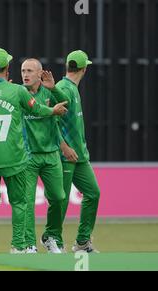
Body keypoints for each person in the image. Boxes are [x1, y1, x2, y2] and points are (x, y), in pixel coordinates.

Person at [0, 48, 68, 254]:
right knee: (20, 202)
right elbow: (36, 109)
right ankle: (19, 246)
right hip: (13, 157)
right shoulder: (16, 91)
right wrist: (53, 111)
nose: (25, 74)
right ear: (8, 68)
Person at [21, 58, 69, 253]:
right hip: (28, 156)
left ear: (40, 74)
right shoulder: (19, 93)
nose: (25, 74)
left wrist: (54, 88)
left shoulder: (49, 91)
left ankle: (50, 236)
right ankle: (29, 244)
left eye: (30, 71)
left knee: (59, 198)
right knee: (27, 202)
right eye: (23, 70)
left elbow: (68, 107)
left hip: (51, 155)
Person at [56, 50, 100, 253]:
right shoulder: (63, 88)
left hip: (80, 157)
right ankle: (54, 240)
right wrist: (64, 148)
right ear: (84, 69)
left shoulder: (71, 87)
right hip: (66, 156)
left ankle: (82, 242)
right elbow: (51, 122)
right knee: (61, 200)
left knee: (93, 193)